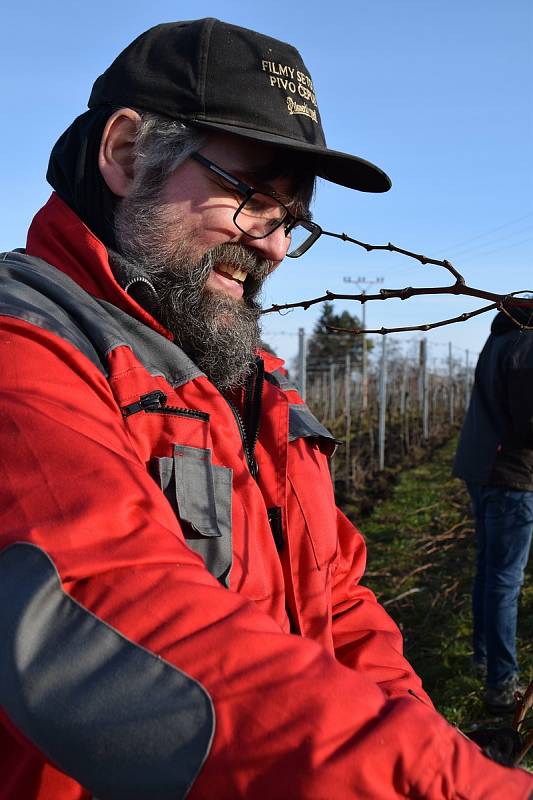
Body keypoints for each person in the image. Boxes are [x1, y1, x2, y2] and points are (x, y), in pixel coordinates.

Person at [0, 18, 531, 800]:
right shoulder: (25, 349)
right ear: (123, 154)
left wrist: (424, 741)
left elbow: (339, 603)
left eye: (290, 219)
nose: (275, 245)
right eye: (252, 196)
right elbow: (116, 609)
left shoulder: (252, 380)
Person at [454, 308, 533, 714]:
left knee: (490, 570)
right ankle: (501, 683)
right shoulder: (527, 344)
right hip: (509, 473)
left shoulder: (502, 335)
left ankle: (484, 658)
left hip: (482, 464)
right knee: (505, 580)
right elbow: (528, 423)